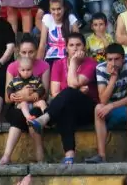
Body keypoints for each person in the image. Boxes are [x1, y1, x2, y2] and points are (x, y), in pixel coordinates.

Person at [32, 32, 97, 165]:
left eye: (78, 45)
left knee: (68, 92)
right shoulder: (58, 64)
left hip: (87, 109)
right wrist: (76, 91)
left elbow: (72, 84)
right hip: (66, 108)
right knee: (59, 108)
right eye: (71, 45)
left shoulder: (91, 64)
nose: (75, 48)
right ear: (66, 48)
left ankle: (47, 116)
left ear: (84, 47)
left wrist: (73, 62)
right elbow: (55, 93)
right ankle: (69, 156)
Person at [86, 43, 127, 164]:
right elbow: (103, 100)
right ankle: (101, 155)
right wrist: (113, 78)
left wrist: (111, 106)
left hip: (126, 106)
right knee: (98, 107)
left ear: (123, 58)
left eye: (117, 59)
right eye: (110, 59)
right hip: (110, 108)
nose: (113, 63)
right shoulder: (100, 68)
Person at [0, 56, 47, 165]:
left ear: (32, 69)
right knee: (23, 104)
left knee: (41, 103)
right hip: (21, 105)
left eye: (28, 70)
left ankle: (47, 116)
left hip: (34, 103)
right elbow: (9, 89)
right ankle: (28, 117)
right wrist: (11, 95)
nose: (26, 72)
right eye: (23, 70)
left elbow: (42, 89)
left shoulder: (36, 79)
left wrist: (37, 93)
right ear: (19, 70)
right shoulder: (15, 80)